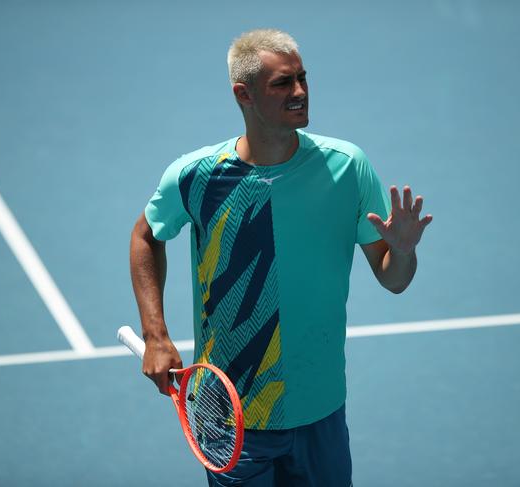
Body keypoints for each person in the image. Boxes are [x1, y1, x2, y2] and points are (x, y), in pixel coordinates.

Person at [129, 29, 432, 487]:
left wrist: (404, 251)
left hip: (320, 408)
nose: (300, 93)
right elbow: (146, 235)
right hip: (232, 416)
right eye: (283, 84)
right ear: (243, 94)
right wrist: (155, 334)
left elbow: (394, 279)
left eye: (303, 79)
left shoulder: (347, 168)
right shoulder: (198, 176)